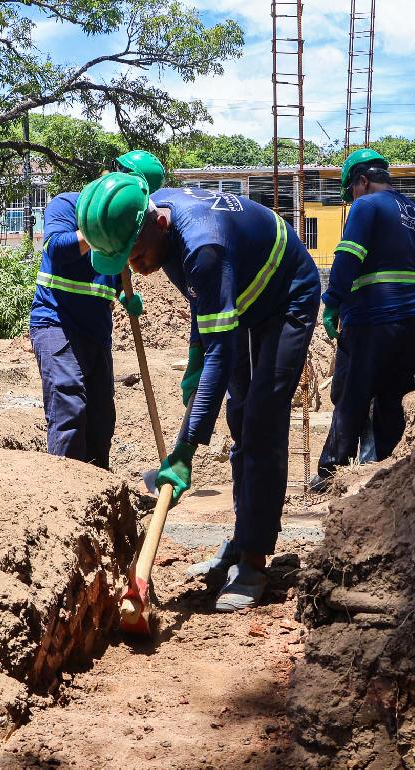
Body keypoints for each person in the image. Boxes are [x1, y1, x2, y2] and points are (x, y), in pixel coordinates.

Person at [76, 173, 321, 611]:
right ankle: (244, 535)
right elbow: (201, 298)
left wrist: (184, 452)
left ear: (159, 225)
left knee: (261, 420)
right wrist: (194, 358)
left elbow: (221, 351)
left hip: (286, 295)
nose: (135, 268)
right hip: (241, 295)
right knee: (238, 417)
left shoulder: (203, 246)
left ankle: (253, 560)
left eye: (137, 255)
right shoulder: (158, 226)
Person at [311, 148, 415, 490]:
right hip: (413, 322)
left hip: (371, 319)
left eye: (350, 191)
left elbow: (348, 255)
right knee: (392, 394)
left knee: (351, 393)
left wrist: (333, 302)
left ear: (362, 180)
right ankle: (385, 473)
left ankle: (331, 473)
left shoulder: (366, 205)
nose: (350, 199)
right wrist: (405, 284)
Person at [29, 151, 164, 467]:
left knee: (101, 419)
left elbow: (117, 274)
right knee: (69, 407)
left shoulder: (130, 228)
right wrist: (102, 227)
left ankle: (99, 498)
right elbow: (58, 249)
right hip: (56, 324)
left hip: (97, 333)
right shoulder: (67, 205)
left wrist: (124, 296)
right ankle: (66, 498)